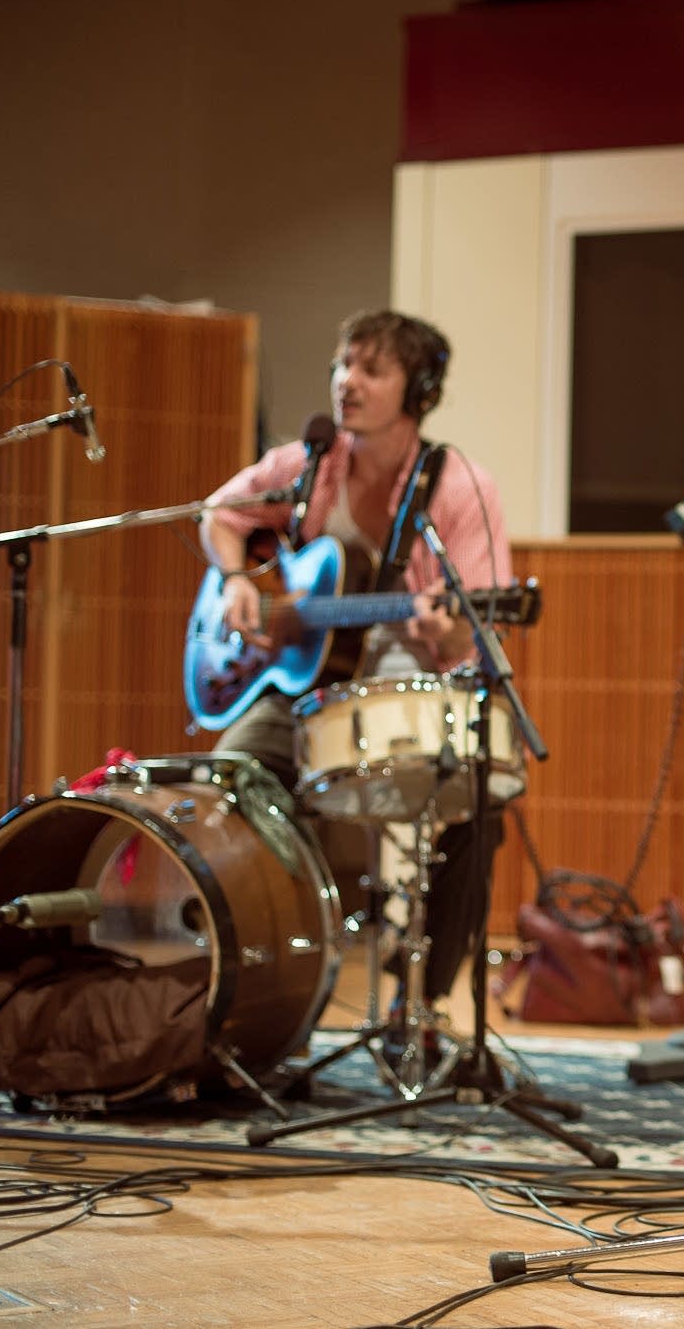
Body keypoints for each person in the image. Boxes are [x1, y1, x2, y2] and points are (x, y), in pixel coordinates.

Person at [202, 309, 514, 1009]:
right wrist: (233, 582)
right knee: (229, 784)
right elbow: (221, 515)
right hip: (304, 690)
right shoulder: (307, 464)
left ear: (420, 390)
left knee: (478, 802)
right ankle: (264, 992)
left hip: (410, 685)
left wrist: (452, 632)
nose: (348, 381)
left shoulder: (459, 487)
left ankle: (420, 1004)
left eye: (371, 369)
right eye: (344, 363)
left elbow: (472, 637)